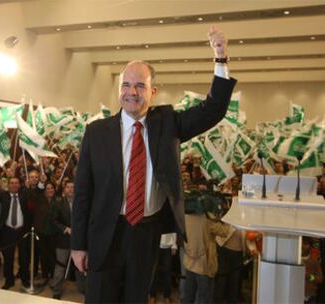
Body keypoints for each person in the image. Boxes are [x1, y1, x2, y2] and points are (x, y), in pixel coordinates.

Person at [71, 26, 237, 303]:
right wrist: (78, 245)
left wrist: (220, 57)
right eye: (126, 85)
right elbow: (82, 192)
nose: (131, 92)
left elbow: (213, 110)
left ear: (153, 91)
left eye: (139, 85)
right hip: (104, 234)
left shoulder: (167, 123)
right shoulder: (96, 132)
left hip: (145, 234)